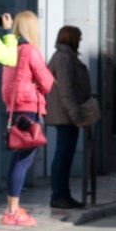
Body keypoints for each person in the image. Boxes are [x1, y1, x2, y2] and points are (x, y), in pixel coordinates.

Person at [1, 11, 53, 227]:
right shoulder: (31, 51)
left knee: (18, 158)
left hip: (15, 109)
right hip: (29, 107)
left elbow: (6, 85)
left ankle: (12, 207)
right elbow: (47, 82)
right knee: (24, 159)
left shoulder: (11, 50)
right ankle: (12, 212)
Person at [45, 25, 92, 210]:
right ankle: (58, 196)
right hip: (65, 115)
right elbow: (66, 90)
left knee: (66, 156)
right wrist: (76, 115)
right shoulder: (64, 59)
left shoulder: (66, 57)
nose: (80, 40)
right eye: (78, 37)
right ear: (71, 38)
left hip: (67, 115)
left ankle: (64, 195)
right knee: (63, 156)